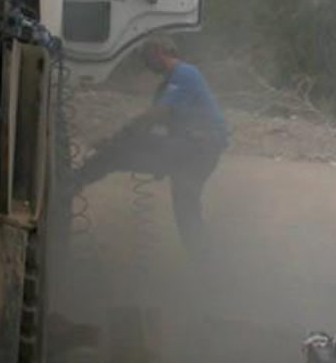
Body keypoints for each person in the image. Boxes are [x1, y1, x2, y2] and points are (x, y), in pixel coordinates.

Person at [73, 36, 229, 267]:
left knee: (117, 154)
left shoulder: (184, 74)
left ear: (157, 51)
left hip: (195, 149)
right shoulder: (172, 82)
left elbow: (156, 115)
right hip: (195, 152)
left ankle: (71, 183)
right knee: (186, 211)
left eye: (146, 56)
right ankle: (207, 265)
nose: (146, 63)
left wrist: (118, 138)